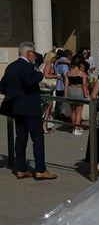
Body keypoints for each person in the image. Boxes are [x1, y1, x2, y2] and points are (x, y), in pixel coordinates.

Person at [0, 41, 57, 180]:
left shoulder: (11, 66)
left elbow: (2, 86)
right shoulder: (27, 67)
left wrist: (14, 95)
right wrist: (39, 74)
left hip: (17, 108)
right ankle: (40, 170)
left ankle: (21, 169)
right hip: (30, 108)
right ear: (29, 53)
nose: (35, 56)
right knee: (37, 138)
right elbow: (29, 82)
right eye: (34, 53)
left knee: (21, 139)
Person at [64, 54, 90, 136]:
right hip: (79, 90)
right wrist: (86, 95)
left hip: (70, 90)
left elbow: (66, 84)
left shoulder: (68, 72)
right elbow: (84, 85)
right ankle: (76, 129)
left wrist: (65, 95)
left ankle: (74, 128)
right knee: (79, 111)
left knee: (73, 111)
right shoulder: (82, 73)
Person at [40, 50, 59, 133]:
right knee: (47, 108)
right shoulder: (48, 64)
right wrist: (56, 76)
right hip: (47, 89)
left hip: (42, 89)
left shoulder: (43, 64)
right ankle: (44, 126)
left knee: (45, 107)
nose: (55, 59)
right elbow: (46, 75)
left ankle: (44, 126)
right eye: (55, 58)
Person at [54, 49, 72, 121]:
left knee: (58, 101)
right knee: (64, 102)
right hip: (64, 85)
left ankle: (56, 115)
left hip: (57, 84)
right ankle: (62, 115)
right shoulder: (65, 64)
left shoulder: (57, 62)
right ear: (68, 55)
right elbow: (65, 75)